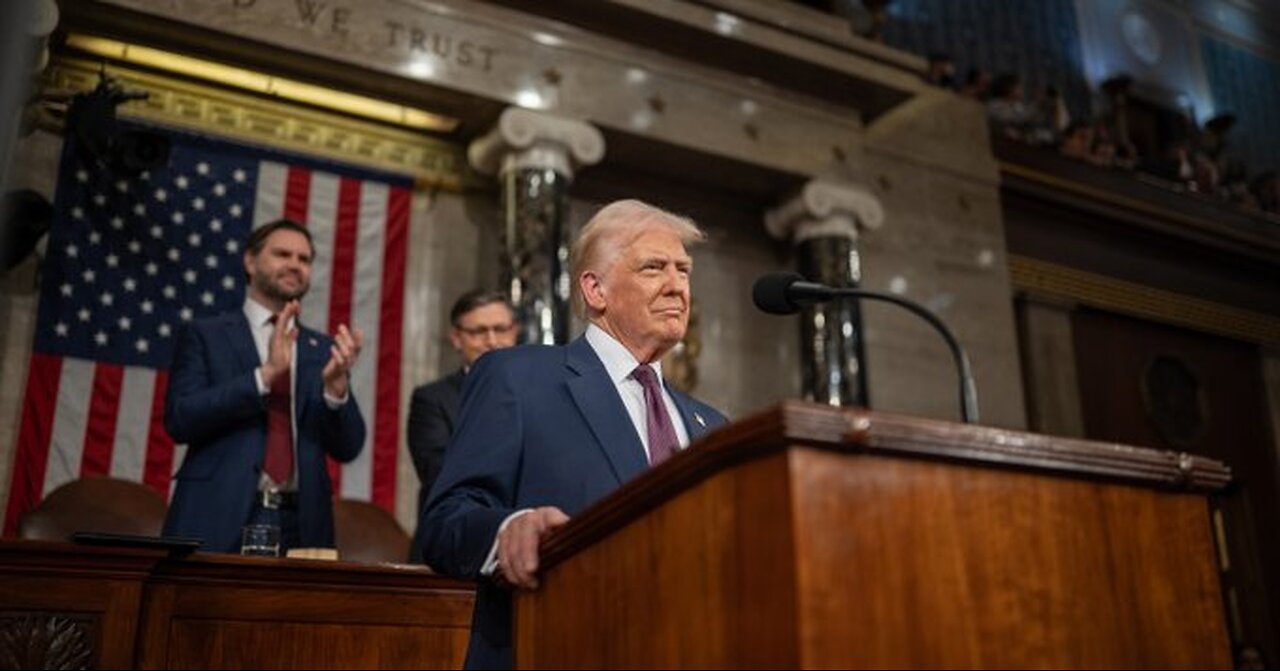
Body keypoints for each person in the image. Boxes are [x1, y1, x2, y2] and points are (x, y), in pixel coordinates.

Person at [420, 199, 729, 669]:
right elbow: (446, 521)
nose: (677, 287)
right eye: (653, 268)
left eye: (683, 271)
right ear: (595, 289)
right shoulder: (518, 378)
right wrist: (507, 531)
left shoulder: (713, 426)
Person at [163, 218, 366, 554]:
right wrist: (264, 375)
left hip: (301, 525)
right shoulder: (207, 334)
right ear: (250, 261)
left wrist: (335, 390)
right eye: (282, 254)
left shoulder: (321, 349)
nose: (294, 265)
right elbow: (180, 418)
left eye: (304, 259)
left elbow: (349, 446)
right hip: (216, 515)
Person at [406, 289, 518, 563]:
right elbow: (440, 475)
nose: (492, 341)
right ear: (456, 338)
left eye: (500, 329)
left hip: (523, 550)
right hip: (451, 553)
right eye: (478, 331)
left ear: (515, 332)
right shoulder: (431, 399)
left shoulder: (539, 395)